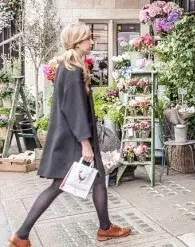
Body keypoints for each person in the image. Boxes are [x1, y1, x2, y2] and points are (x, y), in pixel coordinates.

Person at [9, 23, 131, 247]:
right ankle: (21, 235)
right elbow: (73, 109)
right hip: (75, 140)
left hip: (70, 137)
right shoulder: (72, 70)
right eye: (87, 39)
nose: (91, 42)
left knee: (95, 181)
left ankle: (105, 228)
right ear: (77, 42)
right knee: (59, 186)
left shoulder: (70, 66)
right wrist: (85, 144)